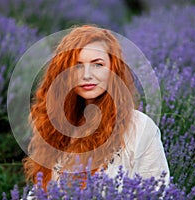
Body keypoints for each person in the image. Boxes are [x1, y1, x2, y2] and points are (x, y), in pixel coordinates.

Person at [23, 25, 170, 190]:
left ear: (113, 70)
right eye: (78, 65)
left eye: (97, 64)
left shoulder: (139, 128)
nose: (87, 75)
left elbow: (157, 192)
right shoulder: (57, 127)